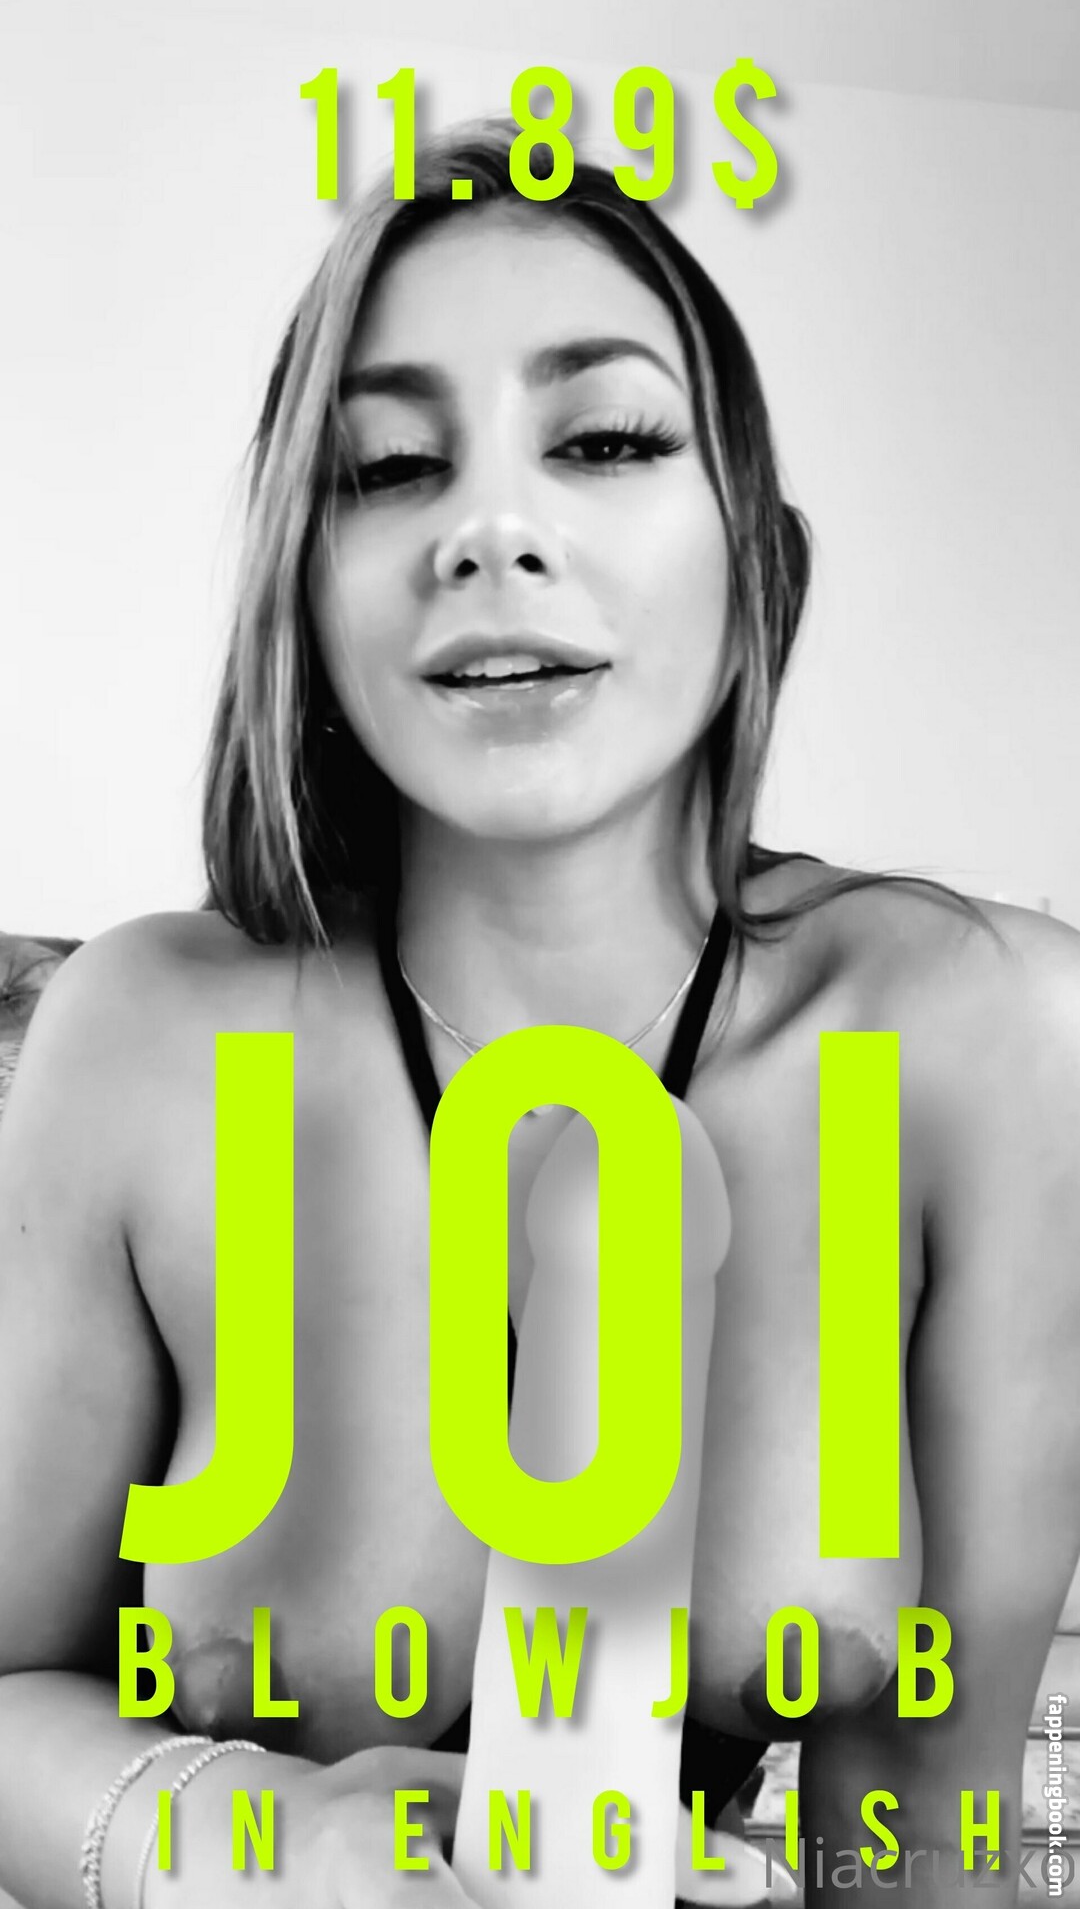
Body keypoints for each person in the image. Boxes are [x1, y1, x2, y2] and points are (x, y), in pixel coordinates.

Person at [0, 112, 1078, 1909]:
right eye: (388, 468)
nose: (492, 532)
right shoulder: (139, 1042)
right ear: (304, 585)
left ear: (754, 554)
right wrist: (271, 1843)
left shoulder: (990, 1037)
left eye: (607, 440)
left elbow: (923, 1842)